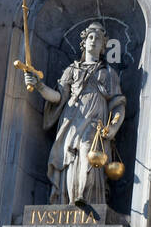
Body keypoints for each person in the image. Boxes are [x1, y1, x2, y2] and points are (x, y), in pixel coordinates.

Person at [24, 21, 126, 208]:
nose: (94, 41)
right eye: (91, 37)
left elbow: (118, 105)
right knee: (70, 159)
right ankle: (69, 201)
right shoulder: (72, 70)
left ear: (104, 46)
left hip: (96, 123)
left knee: (89, 152)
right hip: (72, 119)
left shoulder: (109, 74)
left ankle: (85, 198)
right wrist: (39, 85)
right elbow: (57, 97)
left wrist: (113, 127)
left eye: (99, 39)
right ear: (84, 42)